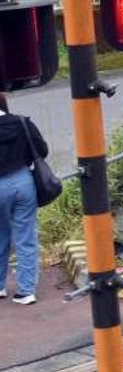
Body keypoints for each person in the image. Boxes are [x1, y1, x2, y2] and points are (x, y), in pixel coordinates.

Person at [0, 93, 47, 305]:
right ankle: (25, 291)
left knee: (1, 235)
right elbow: (42, 150)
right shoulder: (22, 123)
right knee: (25, 236)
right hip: (22, 181)